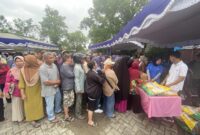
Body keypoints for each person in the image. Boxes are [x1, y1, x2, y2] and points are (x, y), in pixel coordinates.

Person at [19, 54, 44, 128]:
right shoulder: (22, 70)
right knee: (28, 106)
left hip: (38, 91)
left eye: (25, 61)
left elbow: (43, 80)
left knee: (38, 105)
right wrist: (23, 93)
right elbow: (21, 82)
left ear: (31, 62)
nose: (24, 63)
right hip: (28, 92)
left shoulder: (39, 69)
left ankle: (38, 117)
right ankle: (31, 120)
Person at [39, 52, 61, 123]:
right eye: (51, 58)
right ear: (45, 59)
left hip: (56, 87)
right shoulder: (42, 68)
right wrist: (57, 82)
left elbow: (57, 74)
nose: (53, 59)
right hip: (48, 89)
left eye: (53, 57)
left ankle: (57, 110)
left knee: (58, 99)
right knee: (50, 104)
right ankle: (51, 117)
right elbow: (45, 82)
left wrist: (57, 82)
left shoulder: (54, 65)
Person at [4, 56, 25, 122]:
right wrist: (6, 91)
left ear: (23, 61)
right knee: (17, 104)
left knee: (24, 103)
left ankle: (27, 115)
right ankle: (19, 117)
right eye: (16, 61)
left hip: (25, 90)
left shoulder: (26, 69)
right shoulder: (11, 70)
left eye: (20, 61)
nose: (18, 63)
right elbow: (7, 81)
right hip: (16, 91)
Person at [85, 61, 105, 126]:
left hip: (90, 90)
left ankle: (88, 110)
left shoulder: (90, 72)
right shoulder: (93, 74)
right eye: (96, 63)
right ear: (93, 66)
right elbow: (102, 81)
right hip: (93, 92)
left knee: (90, 105)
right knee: (91, 108)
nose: (97, 64)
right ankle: (90, 121)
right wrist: (103, 74)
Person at [60, 53, 75, 122]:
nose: (71, 59)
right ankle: (66, 116)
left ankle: (67, 111)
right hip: (66, 86)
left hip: (70, 85)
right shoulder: (64, 66)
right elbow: (71, 75)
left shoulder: (68, 65)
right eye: (70, 58)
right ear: (67, 59)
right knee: (66, 101)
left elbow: (72, 67)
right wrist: (75, 72)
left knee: (70, 100)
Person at [74, 54, 85, 119]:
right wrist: (78, 89)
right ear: (78, 59)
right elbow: (76, 78)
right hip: (79, 87)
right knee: (79, 101)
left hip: (81, 86)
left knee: (79, 100)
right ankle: (78, 114)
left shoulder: (79, 66)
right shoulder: (77, 67)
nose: (82, 60)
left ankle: (79, 112)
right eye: (81, 59)